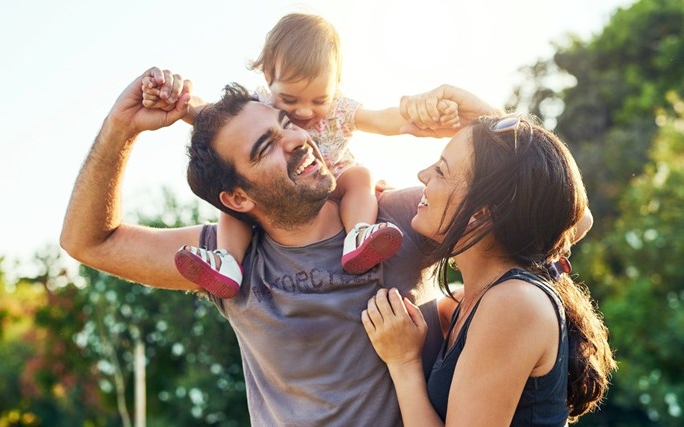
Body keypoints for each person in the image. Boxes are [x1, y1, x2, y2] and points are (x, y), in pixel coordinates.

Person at [61, 65, 496, 426]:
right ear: (237, 199)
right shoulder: (225, 260)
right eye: (266, 146)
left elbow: (552, 219)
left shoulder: (397, 219)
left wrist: (489, 118)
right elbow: (89, 241)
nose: (295, 140)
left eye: (285, 125)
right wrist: (121, 127)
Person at [140, 13, 460, 298]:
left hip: (332, 181)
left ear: (336, 86)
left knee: (361, 176)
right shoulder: (259, 107)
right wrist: (173, 97)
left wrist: (417, 120)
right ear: (268, 77)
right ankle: (227, 261)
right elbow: (206, 112)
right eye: (290, 99)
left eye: (319, 99)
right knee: (238, 202)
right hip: (284, 191)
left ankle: (359, 234)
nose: (305, 111)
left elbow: (380, 118)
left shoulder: (339, 110)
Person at [361, 112, 616, 425]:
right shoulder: (475, 302)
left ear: (479, 213)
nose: (422, 174)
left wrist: (404, 363)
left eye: (441, 170)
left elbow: (571, 212)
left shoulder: (514, 304)